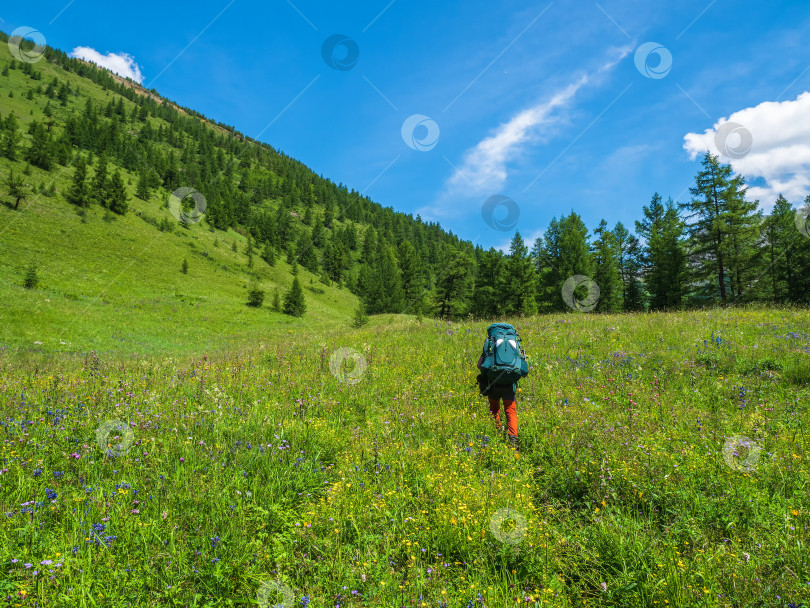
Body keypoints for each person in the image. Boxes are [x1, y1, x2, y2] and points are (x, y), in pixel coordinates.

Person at [477, 348, 519, 450]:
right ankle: (513, 441)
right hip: (509, 386)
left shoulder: (490, 341)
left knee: (494, 410)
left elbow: (479, 365)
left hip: (493, 384)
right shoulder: (513, 340)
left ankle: (497, 432)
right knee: (511, 412)